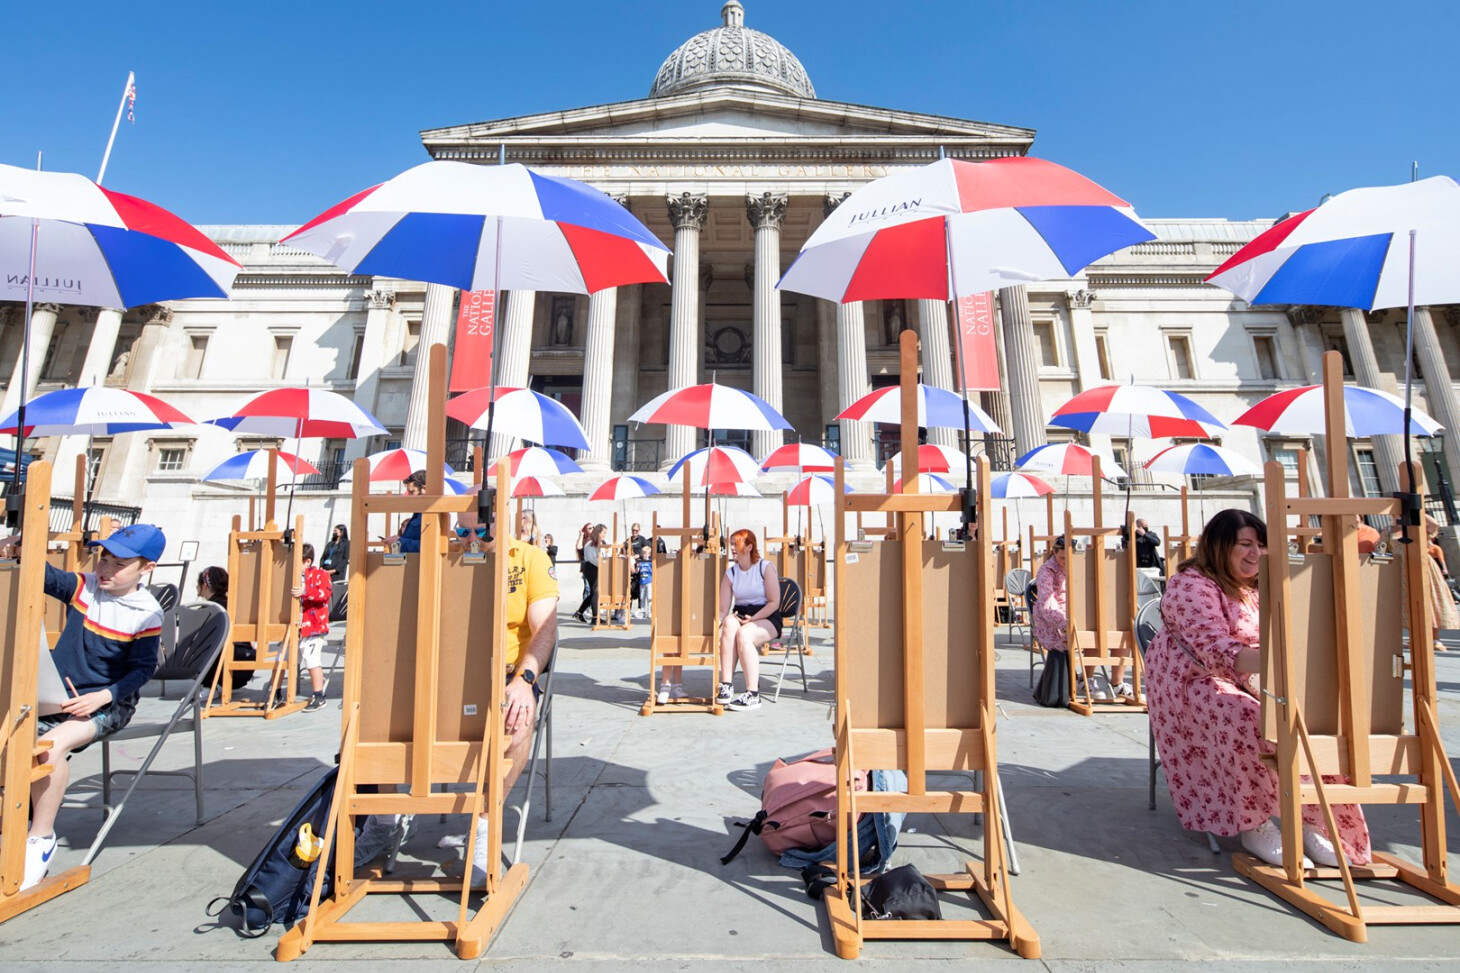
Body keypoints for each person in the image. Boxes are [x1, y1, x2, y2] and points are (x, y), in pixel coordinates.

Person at [354, 486, 558, 886]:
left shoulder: (531, 559)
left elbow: (545, 627)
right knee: (375, 706)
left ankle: (484, 821)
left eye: (478, 532)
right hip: (444, 670)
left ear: (502, 522)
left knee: (516, 717)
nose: (469, 542)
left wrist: (526, 677)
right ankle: (384, 819)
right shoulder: (443, 558)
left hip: (505, 674)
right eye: (461, 534)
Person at [1145, 508, 1371, 868]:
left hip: (1253, 674)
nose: (1256, 553)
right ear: (1219, 546)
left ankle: (1313, 821)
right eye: (1245, 544)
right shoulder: (1191, 585)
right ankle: (1254, 824)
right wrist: (1284, 657)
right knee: (1249, 717)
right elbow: (1216, 650)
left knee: (1310, 715)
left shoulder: (1258, 586)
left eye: (1262, 545)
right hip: (1193, 679)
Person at [0, 524, 165, 891]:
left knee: (48, 749)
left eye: (119, 563)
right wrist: (17, 550)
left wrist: (102, 697)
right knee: (10, 741)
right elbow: (42, 576)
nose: (106, 568)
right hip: (56, 696)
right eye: (104, 558)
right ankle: (15, 820)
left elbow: (142, 670)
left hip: (109, 704)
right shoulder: (85, 586)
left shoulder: (147, 613)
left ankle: (40, 839)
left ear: (146, 568)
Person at [708, 528, 781, 712]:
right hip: (741, 614)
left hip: (766, 616)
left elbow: (774, 602)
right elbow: (723, 610)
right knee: (729, 624)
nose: (732, 548)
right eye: (731, 544)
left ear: (749, 547)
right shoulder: (730, 573)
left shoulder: (765, 567)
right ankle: (726, 684)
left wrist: (753, 619)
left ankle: (753, 694)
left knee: (744, 634)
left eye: (736, 544)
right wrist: (712, 627)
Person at [197, 565, 255, 692]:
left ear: (205, 586)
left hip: (224, 669)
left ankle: (208, 686)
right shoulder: (234, 605)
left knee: (196, 643)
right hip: (245, 663)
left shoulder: (209, 609)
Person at [290, 543, 331, 711]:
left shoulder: (320, 575)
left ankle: (319, 695)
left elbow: (325, 594)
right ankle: (277, 694)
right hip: (294, 624)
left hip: (314, 625)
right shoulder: (289, 577)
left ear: (307, 561)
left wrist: (305, 591)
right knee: (284, 656)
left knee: (311, 658)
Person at [386, 471, 427, 553]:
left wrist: (399, 542)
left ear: (424, 489)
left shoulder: (431, 514)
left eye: (412, 492)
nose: (409, 496)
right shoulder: (418, 513)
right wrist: (397, 540)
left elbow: (427, 546)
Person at [573, 524, 606, 623]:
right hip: (592, 568)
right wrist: (603, 564)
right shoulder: (590, 543)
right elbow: (593, 559)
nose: (604, 535)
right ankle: (595, 617)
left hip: (596, 567)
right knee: (595, 591)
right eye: (604, 533)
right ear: (599, 532)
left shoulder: (599, 543)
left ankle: (580, 613)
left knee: (594, 592)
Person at [634, 545, 653, 620]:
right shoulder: (640, 562)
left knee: (649, 597)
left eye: (645, 553)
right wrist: (637, 566)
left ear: (649, 554)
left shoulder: (650, 562)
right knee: (642, 597)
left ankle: (649, 612)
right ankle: (643, 611)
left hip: (649, 581)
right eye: (643, 553)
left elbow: (653, 571)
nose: (644, 555)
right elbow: (637, 571)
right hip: (642, 581)